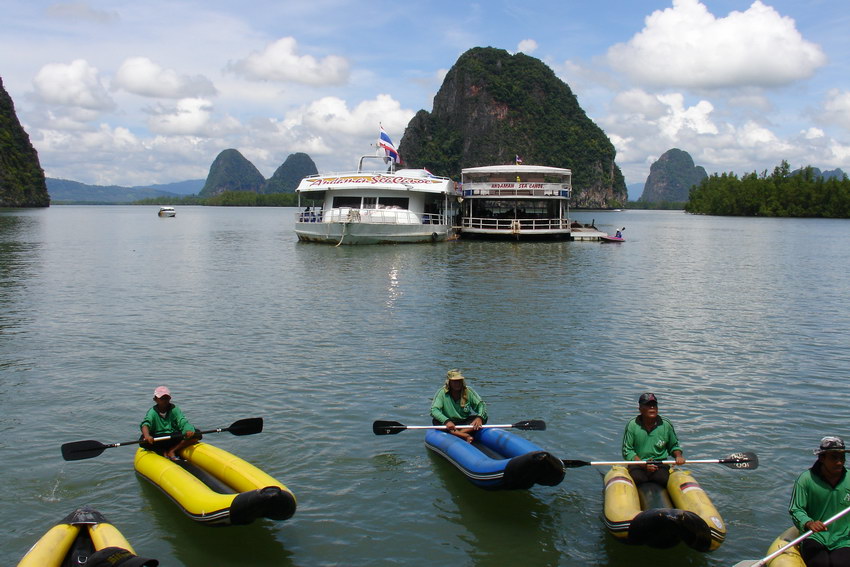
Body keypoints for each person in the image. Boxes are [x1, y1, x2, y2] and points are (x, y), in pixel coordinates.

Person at [788, 436, 850, 567]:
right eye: (834, 457)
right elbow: (796, 509)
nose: (839, 462)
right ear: (822, 458)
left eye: (842, 457)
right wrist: (809, 523)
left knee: (841, 564)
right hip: (815, 537)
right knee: (820, 563)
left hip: (844, 538)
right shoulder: (806, 480)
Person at [621, 392, 685, 486]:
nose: (652, 408)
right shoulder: (632, 425)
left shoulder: (666, 425)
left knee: (662, 478)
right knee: (638, 478)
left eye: (654, 405)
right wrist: (643, 464)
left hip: (659, 463)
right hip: (638, 464)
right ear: (640, 409)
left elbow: (674, 446)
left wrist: (678, 456)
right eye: (648, 405)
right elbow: (627, 451)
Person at [140, 386, 200, 460]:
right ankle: (163, 452)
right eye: (162, 398)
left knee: (197, 433)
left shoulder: (174, 409)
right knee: (142, 441)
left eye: (167, 398)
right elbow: (145, 424)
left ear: (170, 398)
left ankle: (172, 450)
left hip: (173, 436)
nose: (165, 401)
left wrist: (188, 430)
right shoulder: (152, 412)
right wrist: (147, 436)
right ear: (155, 399)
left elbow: (183, 421)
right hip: (159, 438)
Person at [430, 369, 488, 443]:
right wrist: (446, 421)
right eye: (454, 381)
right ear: (449, 382)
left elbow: (481, 405)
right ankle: (464, 435)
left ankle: (457, 433)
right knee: (436, 421)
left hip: (464, 422)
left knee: (483, 418)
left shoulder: (468, 391)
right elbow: (434, 410)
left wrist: (479, 417)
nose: (457, 383)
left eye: (459, 381)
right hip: (449, 423)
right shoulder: (442, 393)